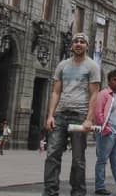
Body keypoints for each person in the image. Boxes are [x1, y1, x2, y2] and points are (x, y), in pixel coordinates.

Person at [43, 32, 102, 196]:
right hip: (60, 114)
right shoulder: (62, 65)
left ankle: (77, 192)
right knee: (52, 154)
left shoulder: (92, 66)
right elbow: (55, 92)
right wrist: (50, 115)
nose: (78, 44)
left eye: (82, 41)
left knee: (78, 159)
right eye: (76, 41)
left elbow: (94, 95)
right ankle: (50, 192)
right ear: (72, 45)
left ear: (87, 46)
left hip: (80, 115)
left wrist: (89, 119)